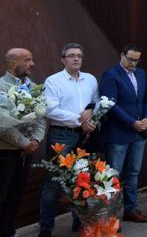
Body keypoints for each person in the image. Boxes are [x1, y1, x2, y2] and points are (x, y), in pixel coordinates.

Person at [39, 43, 98, 237]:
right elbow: (50, 110)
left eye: (79, 56)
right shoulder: (53, 81)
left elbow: (95, 103)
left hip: (85, 136)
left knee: (81, 180)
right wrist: (79, 120)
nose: (76, 59)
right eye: (71, 55)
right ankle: (46, 228)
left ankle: (78, 222)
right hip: (61, 135)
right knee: (53, 182)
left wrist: (91, 115)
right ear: (62, 59)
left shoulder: (90, 79)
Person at [100, 44, 147, 223]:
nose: (133, 63)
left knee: (133, 173)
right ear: (122, 55)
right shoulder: (110, 75)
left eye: (137, 60)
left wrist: (146, 118)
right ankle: (111, 216)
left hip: (139, 132)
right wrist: (132, 123)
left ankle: (130, 210)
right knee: (113, 175)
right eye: (130, 59)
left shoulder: (141, 74)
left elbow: (145, 99)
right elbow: (111, 105)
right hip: (118, 134)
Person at [0, 48, 46, 237]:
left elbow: (41, 118)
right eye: (27, 60)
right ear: (12, 64)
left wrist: (35, 140)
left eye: (31, 59)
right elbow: (2, 123)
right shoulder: (1, 87)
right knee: (1, 196)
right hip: (5, 153)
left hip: (26, 152)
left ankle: (8, 231)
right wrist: (24, 142)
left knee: (15, 196)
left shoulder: (34, 87)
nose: (32, 64)